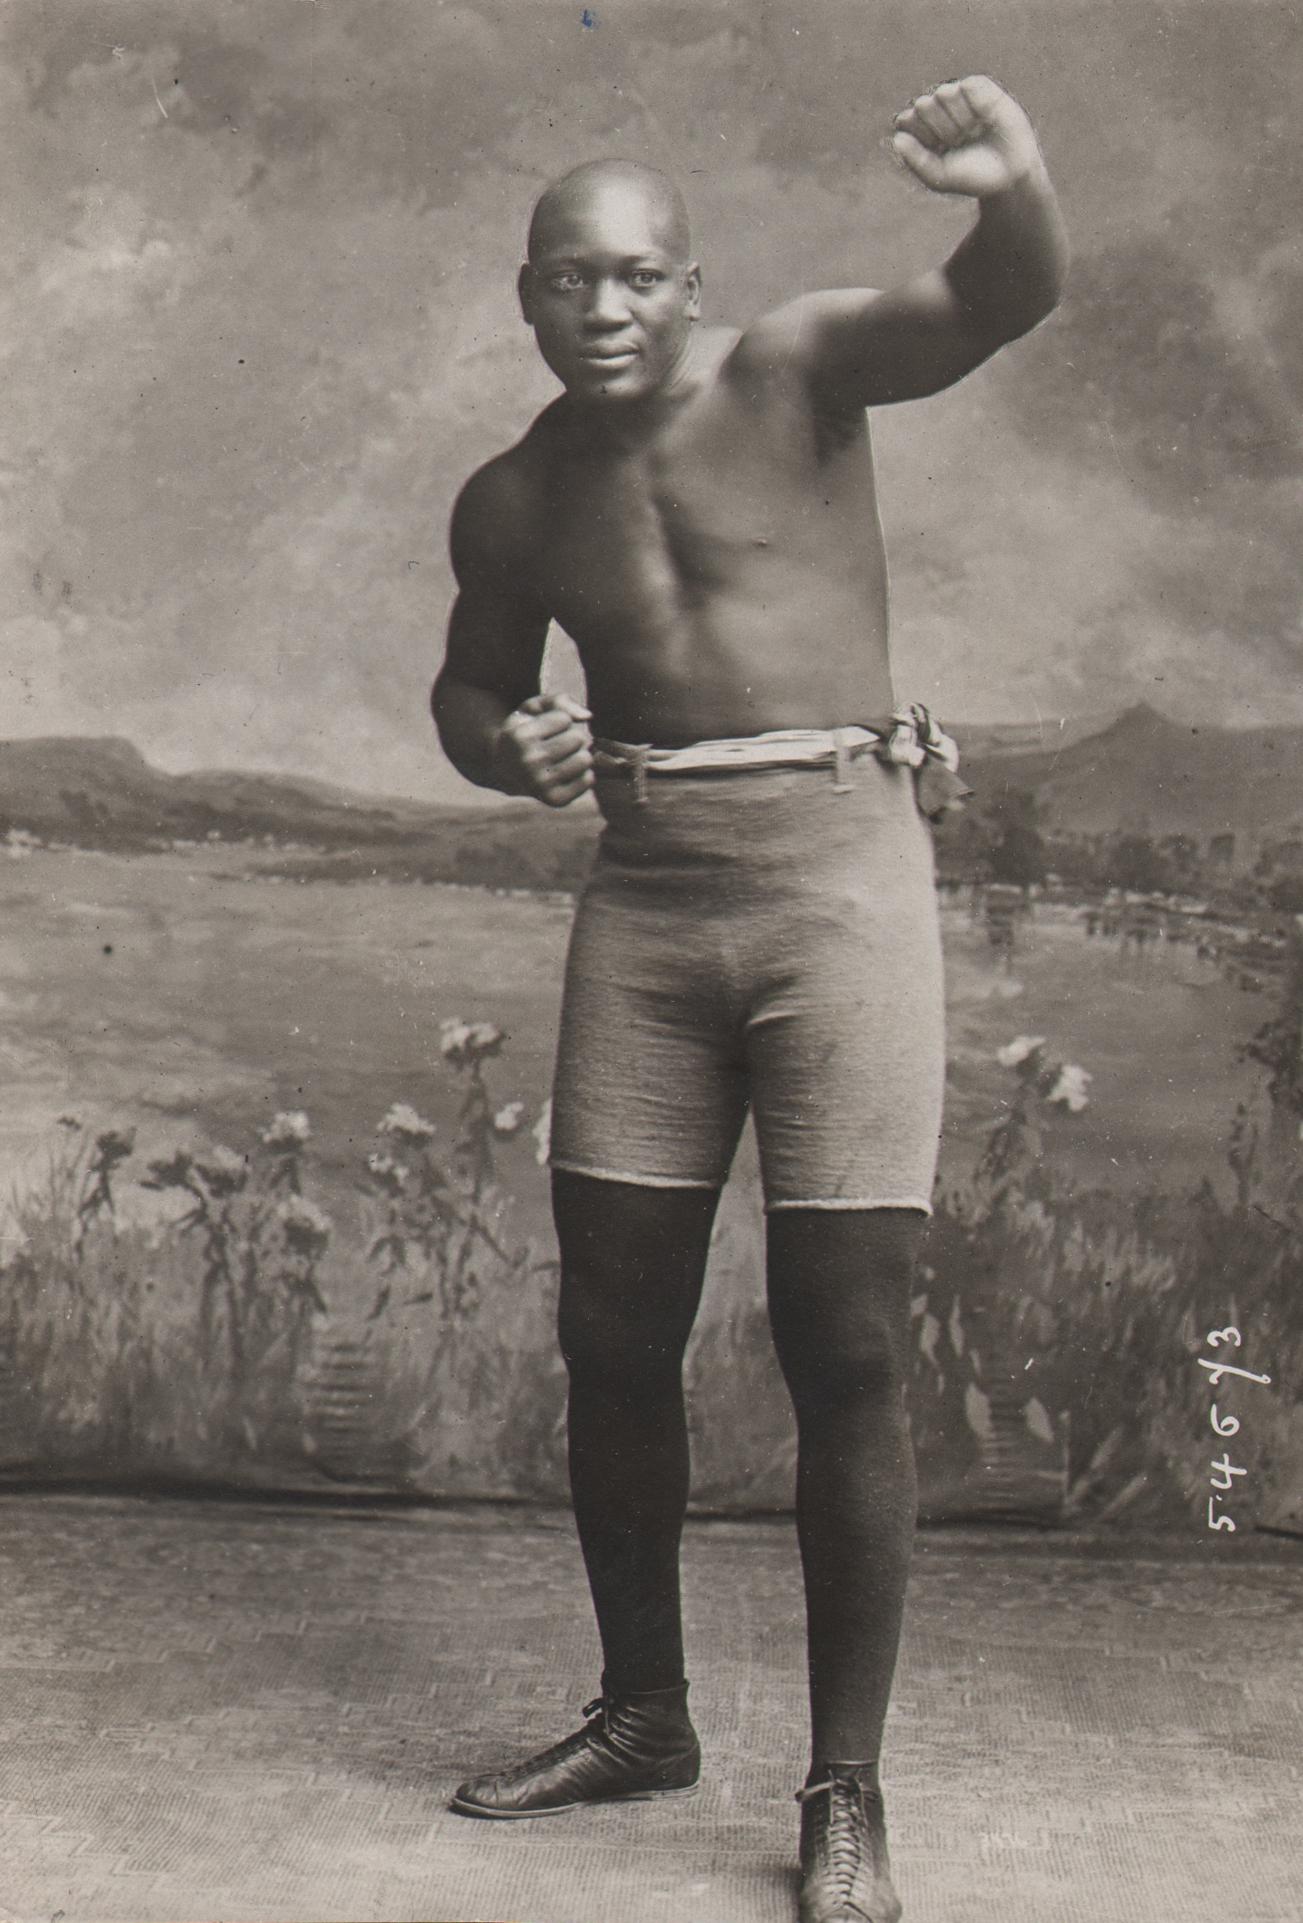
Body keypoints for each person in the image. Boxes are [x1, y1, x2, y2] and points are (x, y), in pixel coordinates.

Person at [432, 74, 1066, 1923]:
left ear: (692, 285)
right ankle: (644, 1719)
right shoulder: (514, 497)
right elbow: (468, 691)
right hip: (644, 908)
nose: (607, 309)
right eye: (572, 282)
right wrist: (510, 749)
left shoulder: (794, 372)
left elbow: (998, 300)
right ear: (527, 295)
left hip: (840, 897)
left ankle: (845, 1790)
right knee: (614, 1339)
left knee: (845, 1346)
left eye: (638, 277)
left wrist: (1012, 181)